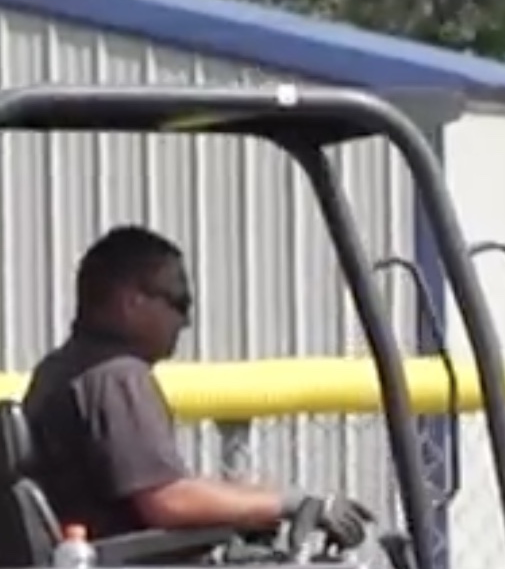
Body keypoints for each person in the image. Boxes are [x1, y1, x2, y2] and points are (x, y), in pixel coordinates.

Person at [21, 224, 376, 552]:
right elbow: (167, 501)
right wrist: (291, 503)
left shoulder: (57, 371)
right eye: (179, 302)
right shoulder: (115, 377)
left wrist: (260, 501)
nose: (186, 321)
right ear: (133, 301)